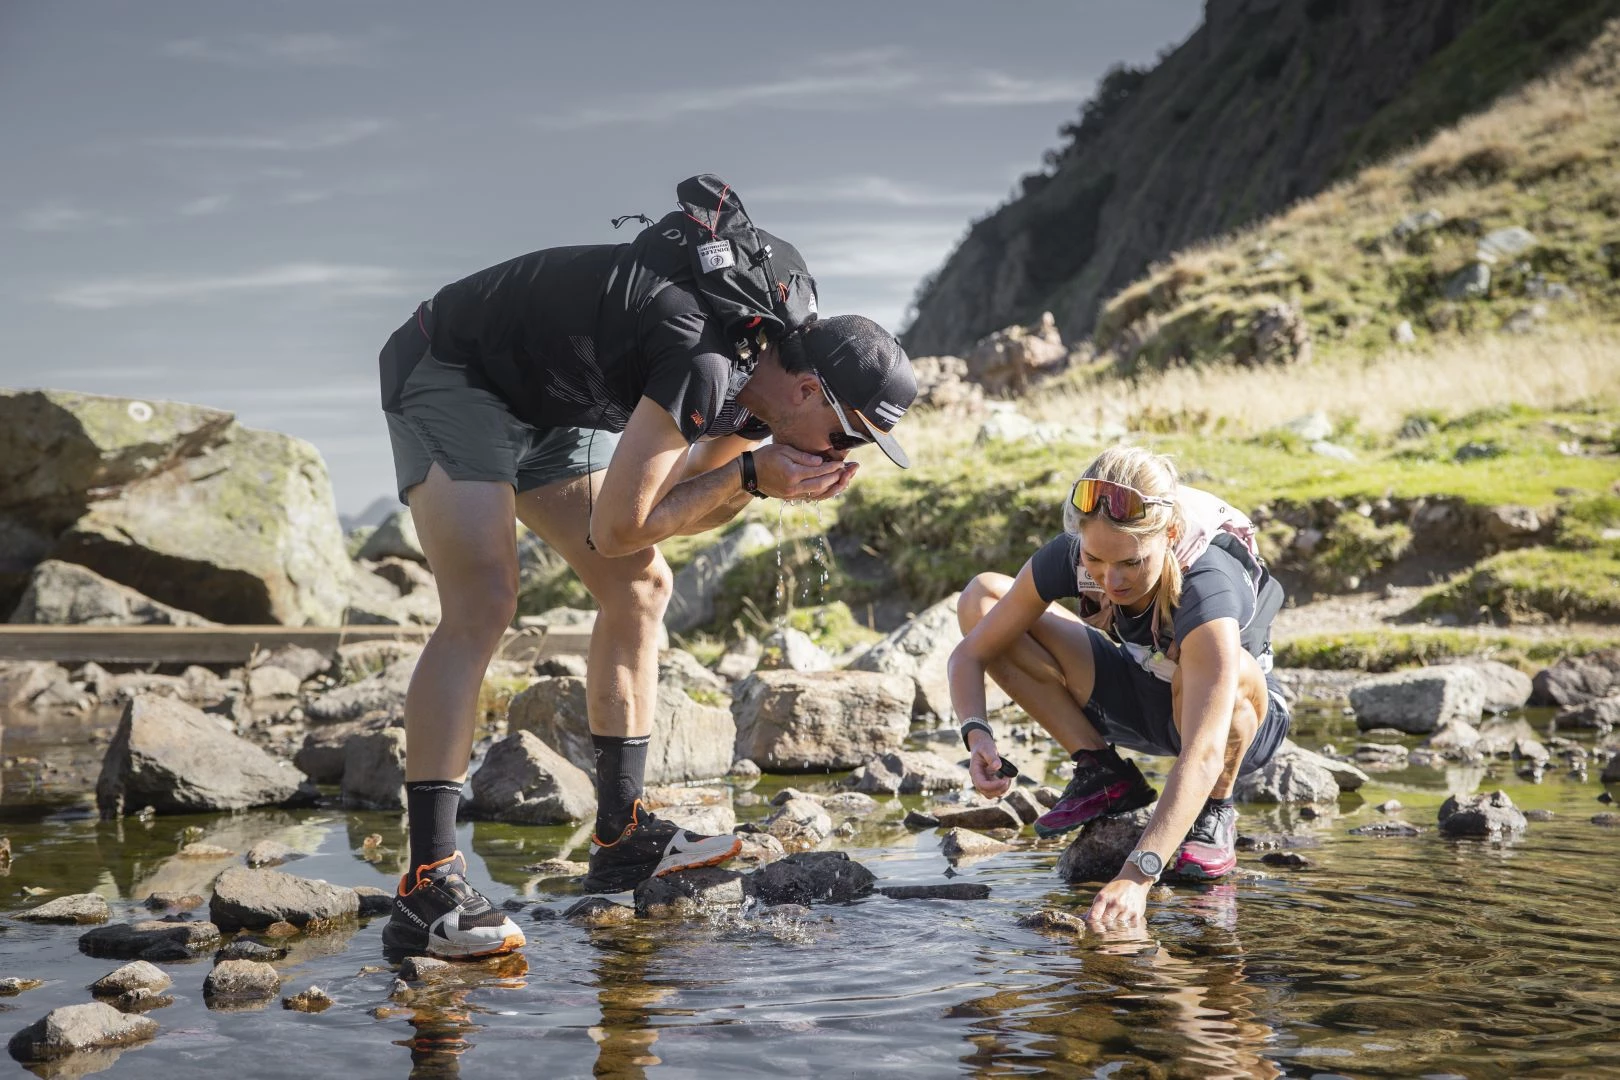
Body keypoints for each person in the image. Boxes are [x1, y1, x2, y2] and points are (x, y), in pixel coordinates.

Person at [376, 177, 917, 958]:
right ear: (807, 389)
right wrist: (751, 475)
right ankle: (427, 883)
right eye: (847, 437)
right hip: (454, 368)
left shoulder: (759, 384)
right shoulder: (706, 360)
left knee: (640, 586)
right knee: (485, 599)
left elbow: (680, 504)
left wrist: (754, 481)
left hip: (549, 402)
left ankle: (622, 838)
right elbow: (620, 525)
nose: (843, 455)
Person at [946, 445, 1289, 929]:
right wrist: (976, 734)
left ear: (1170, 535)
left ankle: (1216, 811)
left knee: (1234, 673)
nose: (1111, 579)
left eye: (1131, 562)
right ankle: (1103, 772)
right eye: (1095, 559)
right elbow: (968, 654)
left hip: (1232, 727)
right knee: (982, 596)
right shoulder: (1077, 552)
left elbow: (1203, 752)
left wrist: (1137, 875)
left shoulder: (1208, 583)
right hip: (1142, 688)